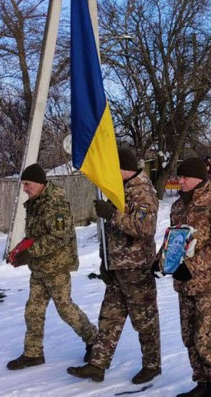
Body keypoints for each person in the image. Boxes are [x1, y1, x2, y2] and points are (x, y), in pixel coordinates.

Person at [67, 149, 161, 385]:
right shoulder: (118, 189)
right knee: (109, 317)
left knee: (144, 320)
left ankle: (152, 366)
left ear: (124, 168)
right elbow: (110, 234)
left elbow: (144, 228)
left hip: (137, 268)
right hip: (117, 267)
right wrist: (104, 260)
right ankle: (97, 365)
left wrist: (113, 215)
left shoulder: (142, 191)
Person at [6, 164, 98, 371]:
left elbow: (59, 237)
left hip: (56, 266)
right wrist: (22, 250)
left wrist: (30, 252)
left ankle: (94, 340)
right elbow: (35, 234)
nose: (25, 189)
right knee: (33, 310)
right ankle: (33, 353)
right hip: (39, 266)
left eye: (27, 184)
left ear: (39, 183)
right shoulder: (35, 202)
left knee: (65, 308)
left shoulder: (55, 203)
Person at [169, 157, 211, 397]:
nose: (181, 180)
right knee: (188, 336)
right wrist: (162, 259)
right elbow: (174, 241)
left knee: (204, 338)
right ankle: (203, 383)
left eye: (185, 176)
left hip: (209, 282)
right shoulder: (178, 206)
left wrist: (193, 265)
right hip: (183, 282)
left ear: (199, 177)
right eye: (179, 176)